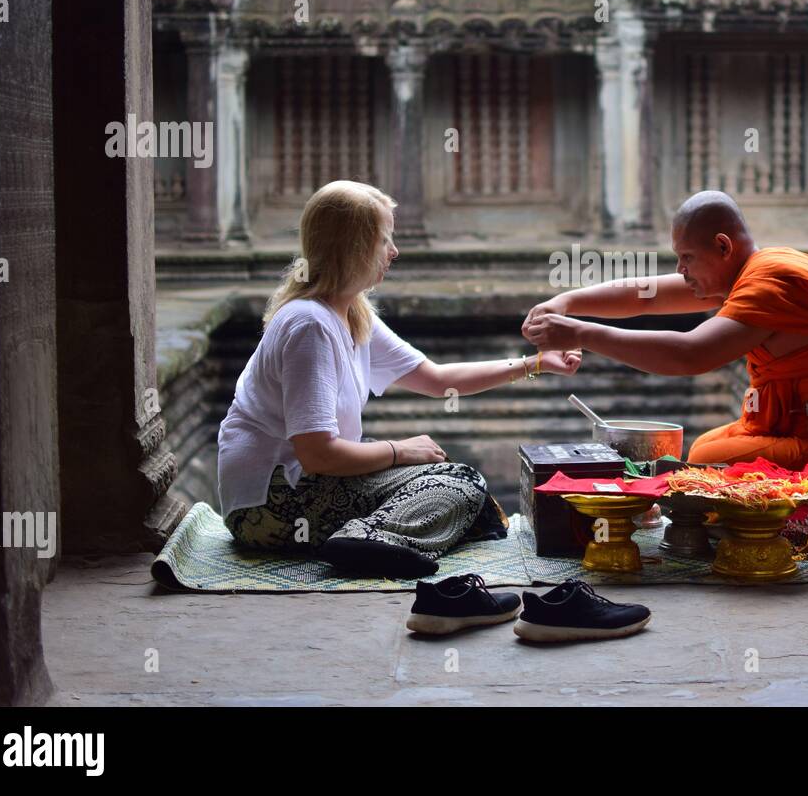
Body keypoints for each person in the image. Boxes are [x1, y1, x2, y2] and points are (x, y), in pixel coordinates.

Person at [218, 180, 581, 578]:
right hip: (266, 507)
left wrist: (537, 363)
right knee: (461, 482)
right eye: (384, 241)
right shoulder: (310, 325)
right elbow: (317, 454)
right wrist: (400, 450)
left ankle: (377, 537)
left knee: (458, 489)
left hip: (305, 485)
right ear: (354, 246)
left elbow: (438, 380)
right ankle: (372, 539)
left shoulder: (352, 312)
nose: (394, 252)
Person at [522, 190, 808, 470]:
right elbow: (646, 296)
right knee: (706, 448)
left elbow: (690, 354)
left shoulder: (772, 282)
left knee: (704, 460)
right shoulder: (747, 271)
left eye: (686, 258)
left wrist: (582, 334)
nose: (680, 270)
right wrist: (568, 301)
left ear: (723, 247)